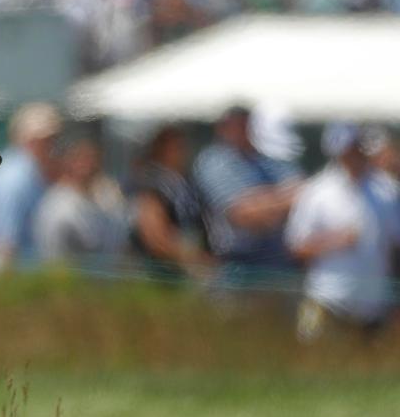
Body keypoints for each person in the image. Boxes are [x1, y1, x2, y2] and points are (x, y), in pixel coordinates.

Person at [285, 123, 400, 341]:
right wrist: (335, 241)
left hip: (374, 306)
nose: (354, 157)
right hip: (329, 301)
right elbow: (297, 246)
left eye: (357, 149)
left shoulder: (387, 191)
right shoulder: (317, 192)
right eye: (348, 151)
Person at [192, 105, 302, 290]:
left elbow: (303, 193)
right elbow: (243, 215)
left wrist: (261, 201)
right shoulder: (214, 161)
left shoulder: (268, 156)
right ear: (222, 128)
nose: (245, 129)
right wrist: (281, 200)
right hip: (237, 269)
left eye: (249, 123)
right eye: (238, 124)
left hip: (280, 266)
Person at [0, 102, 62, 275]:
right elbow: (5, 245)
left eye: (53, 138)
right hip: (11, 277)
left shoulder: (30, 172)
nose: (51, 145)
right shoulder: (15, 179)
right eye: (44, 140)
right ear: (25, 139)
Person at [129, 125, 212, 283]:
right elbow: (154, 236)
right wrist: (194, 260)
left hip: (186, 269)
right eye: (176, 147)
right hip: (159, 273)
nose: (182, 152)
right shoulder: (151, 182)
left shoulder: (186, 182)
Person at [33, 139, 127, 268]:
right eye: (81, 158)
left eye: (92, 158)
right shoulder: (57, 206)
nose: (87, 164)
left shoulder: (103, 196)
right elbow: (55, 260)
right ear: (68, 162)